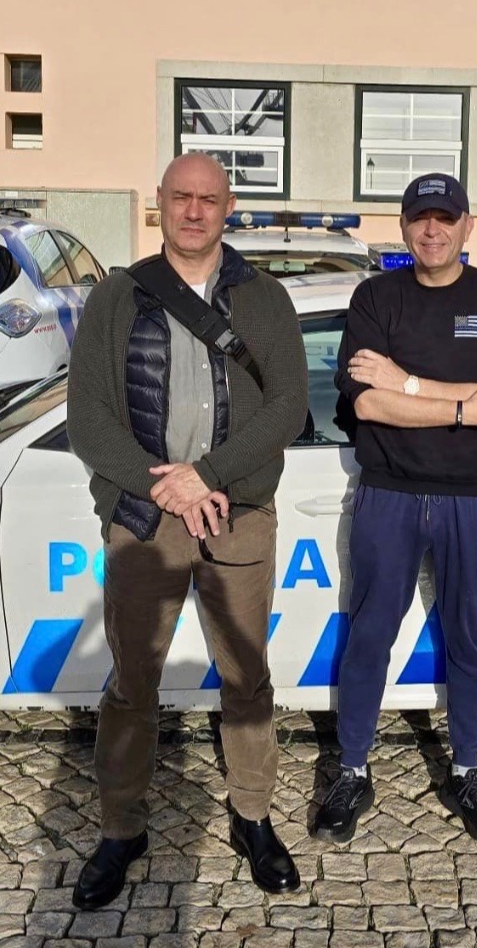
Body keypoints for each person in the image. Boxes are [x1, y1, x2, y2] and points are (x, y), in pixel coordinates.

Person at [66, 153, 309, 909]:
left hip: (238, 514)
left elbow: (288, 407)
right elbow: (87, 419)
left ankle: (252, 817)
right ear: (160, 204)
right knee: (131, 682)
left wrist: (208, 475)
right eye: (181, 198)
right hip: (146, 521)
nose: (195, 211)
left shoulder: (265, 298)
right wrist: (162, 486)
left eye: (209, 199)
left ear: (228, 207)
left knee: (247, 679)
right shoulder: (117, 296)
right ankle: (120, 829)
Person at [313, 173, 477, 844]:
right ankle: (352, 770)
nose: (432, 230)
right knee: (369, 636)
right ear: (405, 227)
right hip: (389, 493)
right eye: (420, 218)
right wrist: (466, 405)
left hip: (472, 499)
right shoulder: (375, 297)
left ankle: (467, 771)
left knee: (468, 640)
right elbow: (366, 403)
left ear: (468, 225)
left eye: (445, 217)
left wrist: (406, 383)